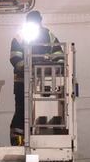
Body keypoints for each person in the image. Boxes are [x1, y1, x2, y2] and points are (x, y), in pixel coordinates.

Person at [8, 10, 64, 145]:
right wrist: (28, 67)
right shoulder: (21, 36)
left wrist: (55, 67)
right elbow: (15, 57)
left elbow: (59, 55)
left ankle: (43, 137)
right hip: (23, 81)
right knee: (22, 110)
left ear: (40, 21)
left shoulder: (48, 35)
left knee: (46, 109)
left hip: (44, 82)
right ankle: (18, 141)